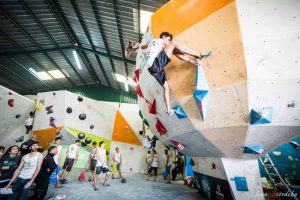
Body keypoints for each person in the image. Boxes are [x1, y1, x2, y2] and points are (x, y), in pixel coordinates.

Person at [137, 32, 211, 115]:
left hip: (152, 70)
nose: (168, 42)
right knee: (174, 44)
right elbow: (171, 47)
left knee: (166, 87)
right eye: (168, 39)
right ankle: (198, 54)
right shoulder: (160, 41)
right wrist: (171, 45)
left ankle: (168, 110)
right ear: (164, 37)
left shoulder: (151, 42)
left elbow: (142, 46)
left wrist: (133, 47)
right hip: (155, 64)